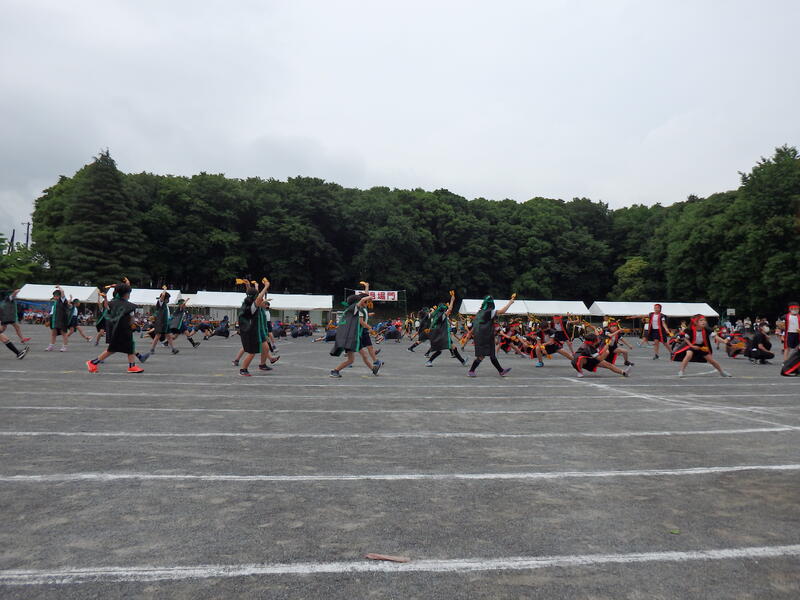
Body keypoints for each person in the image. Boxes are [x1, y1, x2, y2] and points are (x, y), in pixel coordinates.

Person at [86, 281, 149, 373]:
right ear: (127, 294)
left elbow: (107, 309)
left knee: (128, 347)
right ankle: (93, 362)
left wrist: (106, 298)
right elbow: (132, 320)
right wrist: (134, 325)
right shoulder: (130, 306)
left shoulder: (112, 303)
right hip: (125, 330)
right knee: (114, 349)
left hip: (116, 330)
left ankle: (132, 366)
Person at [329, 293, 382, 378]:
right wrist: (370, 297)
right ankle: (335, 371)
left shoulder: (352, 310)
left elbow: (362, 300)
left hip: (351, 337)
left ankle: (373, 369)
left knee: (358, 357)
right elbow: (362, 300)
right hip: (350, 338)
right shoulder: (353, 308)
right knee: (352, 359)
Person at [467, 295, 516, 377]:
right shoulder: (490, 312)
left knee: (490, 355)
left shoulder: (479, 312)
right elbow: (502, 311)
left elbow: (476, 325)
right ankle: (471, 371)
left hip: (480, 336)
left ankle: (501, 371)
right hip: (486, 336)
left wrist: (470, 333)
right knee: (483, 356)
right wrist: (510, 303)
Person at [235, 281, 269, 376]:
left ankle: (249, 368)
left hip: (247, 331)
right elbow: (259, 297)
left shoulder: (246, 303)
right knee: (252, 352)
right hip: (251, 332)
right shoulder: (253, 307)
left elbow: (252, 294)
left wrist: (249, 286)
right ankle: (243, 369)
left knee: (253, 351)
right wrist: (266, 286)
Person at [425, 291, 467, 367]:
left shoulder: (437, 315)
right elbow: (450, 310)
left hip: (441, 334)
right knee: (439, 351)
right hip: (441, 335)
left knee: (454, 348)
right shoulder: (441, 316)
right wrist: (452, 300)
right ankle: (429, 361)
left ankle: (463, 361)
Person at [45, 286, 70, 351]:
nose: (55, 297)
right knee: (53, 333)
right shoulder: (55, 303)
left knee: (63, 333)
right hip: (55, 320)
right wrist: (48, 316)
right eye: (54, 296)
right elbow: (53, 312)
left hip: (62, 320)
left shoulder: (62, 301)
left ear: (59, 296)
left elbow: (62, 292)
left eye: (56, 296)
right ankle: (51, 346)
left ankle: (64, 347)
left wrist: (59, 287)